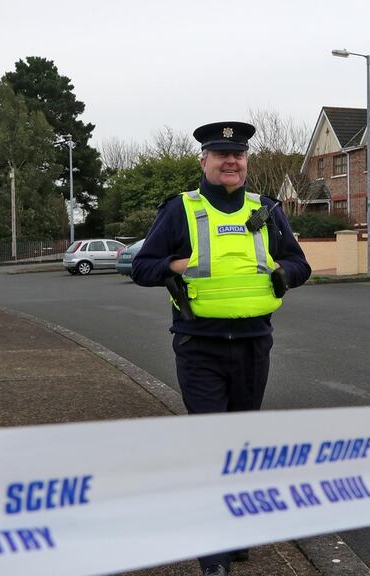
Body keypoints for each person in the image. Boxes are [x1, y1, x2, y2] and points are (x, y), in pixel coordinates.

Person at [130, 121, 311, 576]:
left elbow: (299, 263)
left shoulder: (267, 209)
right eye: (221, 154)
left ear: (246, 161)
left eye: (238, 155)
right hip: (200, 346)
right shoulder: (180, 210)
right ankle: (213, 560)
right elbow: (142, 267)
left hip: (253, 344)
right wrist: (172, 264)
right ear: (204, 161)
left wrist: (284, 275)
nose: (231, 162)